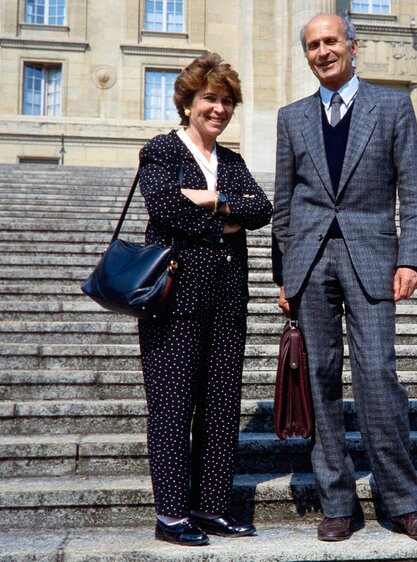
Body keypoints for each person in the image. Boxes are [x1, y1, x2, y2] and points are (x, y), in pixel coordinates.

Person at [272, 14, 417, 542]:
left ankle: (402, 501)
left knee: (377, 376)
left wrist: (411, 259)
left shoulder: (391, 106)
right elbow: (284, 200)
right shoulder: (292, 117)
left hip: (372, 256)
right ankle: (338, 504)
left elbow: (412, 188)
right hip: (309, 258)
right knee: (318, 382)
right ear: (308, 55)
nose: (323, 51)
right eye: (314, 45)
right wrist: (282, 273)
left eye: (331, 42)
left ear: (352, 45)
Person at [138, 53, 272, 547]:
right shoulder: (161, 150)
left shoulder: (231, 161)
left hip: (227, 302)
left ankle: (211, 507)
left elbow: (262, 210)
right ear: (189, 102)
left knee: (220, 408)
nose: (219, 109)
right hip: (173, 301)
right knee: (172, 408)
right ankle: (171, 514)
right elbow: (166, 208)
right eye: (209, 99)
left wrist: (210, 198)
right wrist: (223, 218)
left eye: (226, 101)